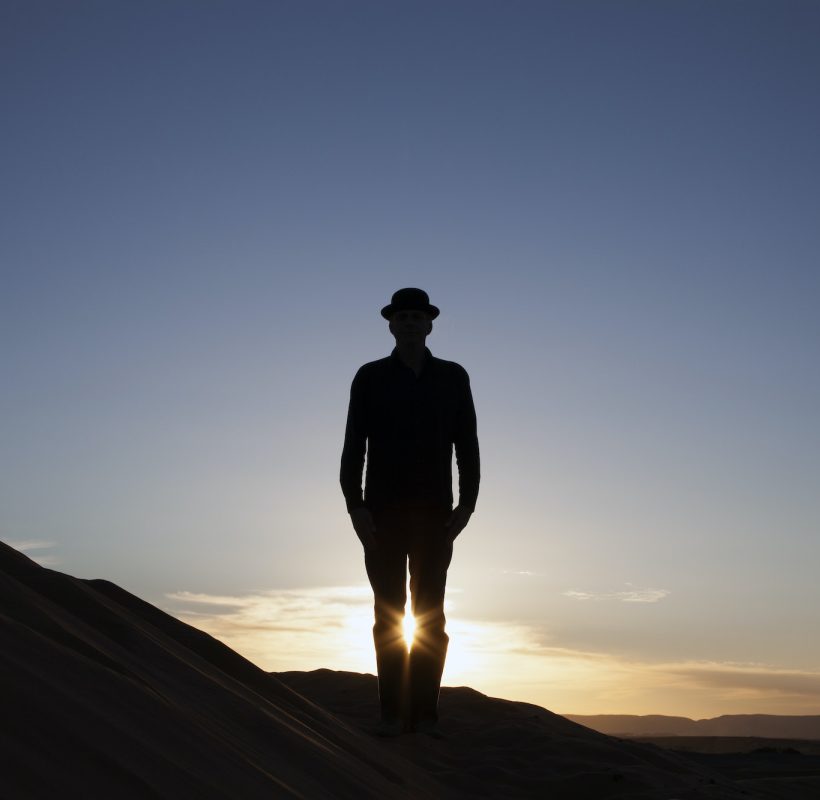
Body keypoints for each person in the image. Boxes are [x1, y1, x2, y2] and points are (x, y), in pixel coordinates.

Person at [340, 288, 480, 737]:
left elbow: (468, 445)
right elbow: (353, 446)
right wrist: (355, 505)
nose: (410, 324)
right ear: (391, 324)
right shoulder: (370, 376)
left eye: (417, 317)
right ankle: (391, 711)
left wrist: (467, 504)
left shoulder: (453, 377)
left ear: (429, 324)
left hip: (436, 514)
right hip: (381, 512)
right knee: (388, 613)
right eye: (402, 317)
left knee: (430, 614)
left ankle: (425, 713)